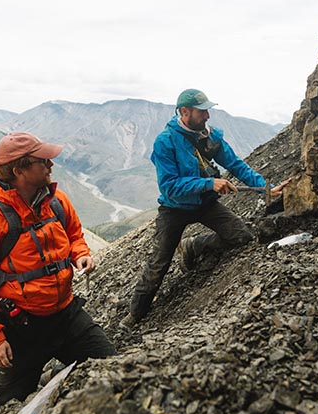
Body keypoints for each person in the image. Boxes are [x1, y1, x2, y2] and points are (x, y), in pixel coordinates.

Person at [0, 132, 115, 408]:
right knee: (9, 411)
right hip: (21, 328)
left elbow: (74, 235)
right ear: (19, 170)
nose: (50, 166)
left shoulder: (55, 200)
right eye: (43, 161)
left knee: (114, 368)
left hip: (67, 315)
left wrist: (80, 254)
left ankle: (55, 376)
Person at [121, 89, 288, 329]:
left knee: (242, 237)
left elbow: (234, 164)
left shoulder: (209, 136)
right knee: (159, 264)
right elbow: (169, 187)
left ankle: (194, 245)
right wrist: (209, 183)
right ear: (184, 112)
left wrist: (265, 188)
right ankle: (135, 315)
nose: (207, 116)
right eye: (202, 111)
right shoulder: (165, 141)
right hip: (174, 209)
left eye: (208, 110)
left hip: (205, 203)